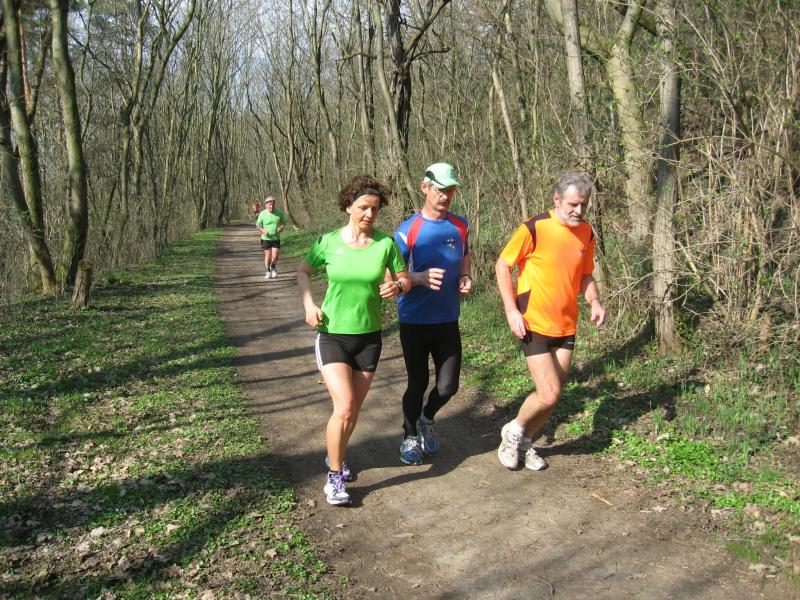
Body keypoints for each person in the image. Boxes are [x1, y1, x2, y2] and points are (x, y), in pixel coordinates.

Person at [297, 176, 410, 506]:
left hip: (369, 338)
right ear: (348, 207)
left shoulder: (385, 244)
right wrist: (309, 305)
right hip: (333, 335)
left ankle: (336, 452)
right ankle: (334, 476)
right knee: (345, 406)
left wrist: (397, 286)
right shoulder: (328, 242)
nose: (369, 214)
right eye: (363, 207)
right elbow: (303, 271)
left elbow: (403, 277)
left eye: (375, 209)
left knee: (352, 411)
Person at [495, 171, 607, 471]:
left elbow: (585, 274)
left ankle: (526, 442)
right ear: (556, 199)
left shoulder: (586, 232)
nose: (579, 210)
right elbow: (503, 265)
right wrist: (511, 310)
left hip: (566, 325)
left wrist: (595, 301)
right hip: (533, 322)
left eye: (584, 204)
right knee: (549, 392)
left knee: (552, 396)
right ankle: (513, 433)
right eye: (573, 204)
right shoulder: (534, 228)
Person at [393, 162, 473, 465]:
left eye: (451, 190)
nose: (446, 195)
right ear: (425, 187)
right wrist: (418, 278)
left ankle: (427, 417)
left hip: (447, 318)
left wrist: (465, 276)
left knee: (448, 386)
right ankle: (409, 434)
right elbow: (391, 277)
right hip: (414, 320)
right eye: (440, 189)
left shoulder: (460, 225)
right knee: (417, 382)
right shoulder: (407, 230)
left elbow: (465, 255)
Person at [256, 196, 286, 279]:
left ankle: (273, 267)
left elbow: (283, 222)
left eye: (273, 204)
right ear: (266, 205)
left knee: (275, 255)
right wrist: (263, 231)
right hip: (266, 239)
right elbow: (257, 225)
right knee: (268, 255)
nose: (271, 206)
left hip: (276, 238)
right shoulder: (262, 214)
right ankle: (268, 271)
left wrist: (281, 228)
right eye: (270, 204)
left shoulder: (279, 213)